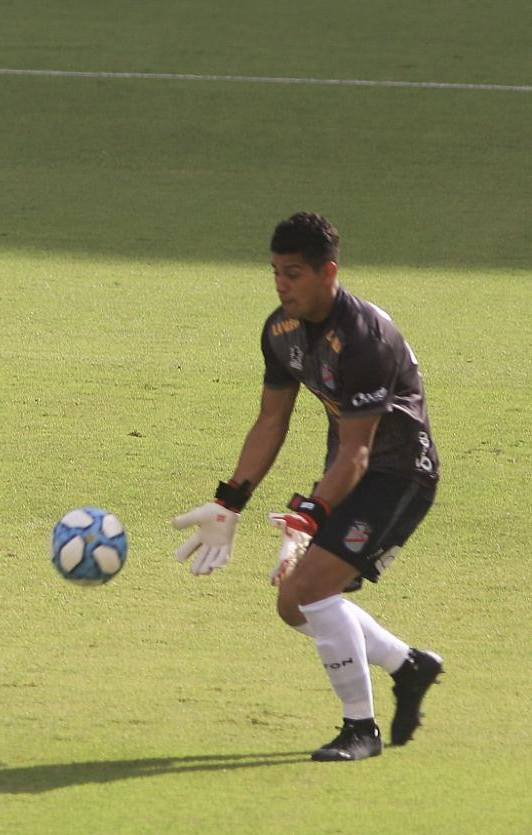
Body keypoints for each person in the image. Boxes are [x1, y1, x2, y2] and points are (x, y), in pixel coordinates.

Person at [171, 212, 443, 762]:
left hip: (397, 476)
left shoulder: (366, 339)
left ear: (328, 273)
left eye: (293, 273)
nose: (281, 284)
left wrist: (310, 514)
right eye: (275, 271)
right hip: (345, 468)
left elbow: (361, 451)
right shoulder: (282, 332)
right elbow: (271, 422)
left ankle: (360, 731)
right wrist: (230, 502)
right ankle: (408, 665)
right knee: (294, 605)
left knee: (310, 593)